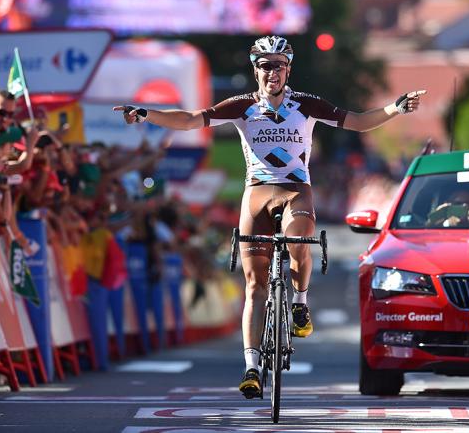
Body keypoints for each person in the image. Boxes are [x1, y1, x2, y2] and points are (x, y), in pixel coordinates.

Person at [114, 35, 426, 398]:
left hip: (295, 189)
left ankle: (300, 304)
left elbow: (355, 122)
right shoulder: (242, 106)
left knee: (298, 242)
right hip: (257, 193)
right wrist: (146, 112)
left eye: (278, 65)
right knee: (254, 284)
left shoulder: (306, 105)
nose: (271, 72)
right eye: (264, 66)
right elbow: (189, 120)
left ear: (288, 69)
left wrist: (396, 108)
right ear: (255, 70)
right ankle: (250, 367)